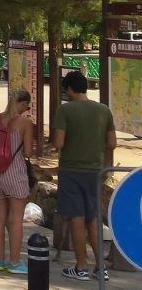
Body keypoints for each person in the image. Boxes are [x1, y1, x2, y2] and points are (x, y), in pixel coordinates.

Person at [53, 70, 116, 282]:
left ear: (69, 89)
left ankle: (80, 266)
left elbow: (59, 143)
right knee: (94, 219)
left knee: (76, 219)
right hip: (96, 172)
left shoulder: (65, 110)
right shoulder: (103, 111)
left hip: (71, 171)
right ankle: (100, 268)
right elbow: (112, 142)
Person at [0, 88, 34, 274]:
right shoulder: (25, 123)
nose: (26, 109)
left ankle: (0, 259)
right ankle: (14, 262)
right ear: (21, 103)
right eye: (26, 105)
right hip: (15, 173)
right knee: (15, 219)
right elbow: (28, 153)